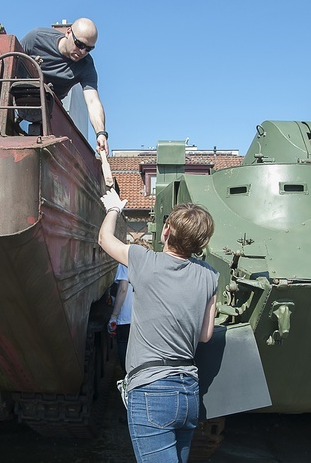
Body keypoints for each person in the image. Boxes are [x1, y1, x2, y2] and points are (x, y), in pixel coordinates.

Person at [98, 189, 219, 463]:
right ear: (201, 243)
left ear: (166, 231)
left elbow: (104, 239)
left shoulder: (145, 261)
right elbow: (205, 335)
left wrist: (114, 209)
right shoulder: (210, 276)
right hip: (188, 389)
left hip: (151, 389)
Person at [20, 18, 109, 154]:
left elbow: (93, 102)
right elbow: (11, 62)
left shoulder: (86, 66)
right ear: (68, 33)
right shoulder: (36, 38)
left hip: (50, 110)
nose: (83, 52)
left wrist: (101, 133)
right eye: (79, 44)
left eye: (89, 49)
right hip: (17, 98)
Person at [108, 240, 151, 371]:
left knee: (125, 355)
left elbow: (123, 289)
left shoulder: (125, 262)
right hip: (146, 319)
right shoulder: (151, 264)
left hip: (126, 318)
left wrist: (114, 316)